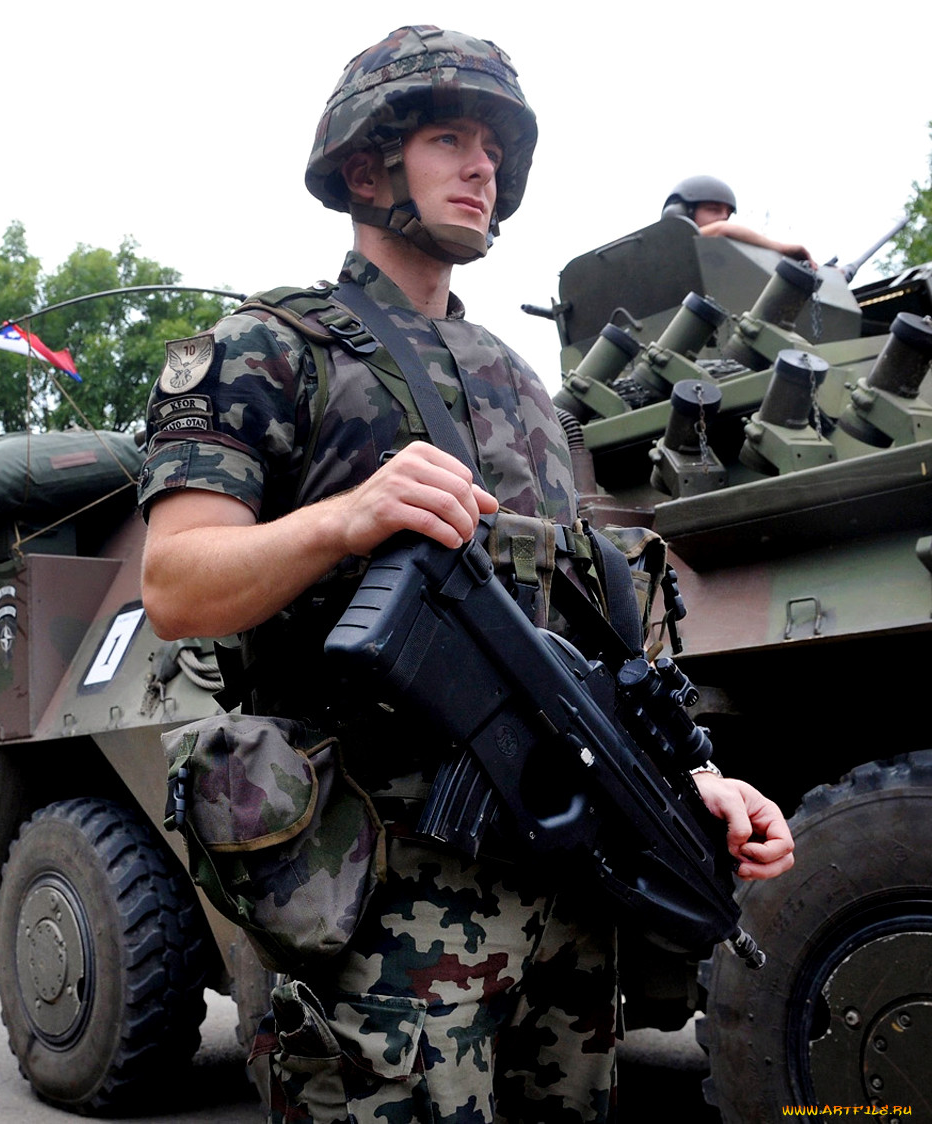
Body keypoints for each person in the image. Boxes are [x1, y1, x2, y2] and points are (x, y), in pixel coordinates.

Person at [138, 26, 795, 1122]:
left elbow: (587, 640)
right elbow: (175, 584)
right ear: (365, 166)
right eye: (450, 137)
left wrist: (693, 776)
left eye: (494, 145)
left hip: (558, 887)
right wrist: (344, 519)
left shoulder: (524, 389)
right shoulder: (269, 347)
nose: (484, 166)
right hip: (382, 887)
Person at [663, 173, 817, 268]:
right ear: (682, 212)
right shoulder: (661, 249)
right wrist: (781, 248)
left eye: (728, 214)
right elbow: (724, 229)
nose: (724, 218)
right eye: (713, 209)